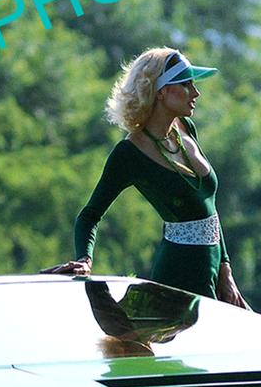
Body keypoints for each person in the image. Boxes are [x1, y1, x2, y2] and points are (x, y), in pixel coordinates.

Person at [42, 47, 249, 308]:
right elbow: (90, 215)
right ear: (161, 91)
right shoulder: (129, 153)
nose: (196, 93)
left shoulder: (185, 128)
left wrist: (226, 271)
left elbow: (209, 210)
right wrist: (85, 259)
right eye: (185, 84)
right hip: (179, 274)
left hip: (214, 269)